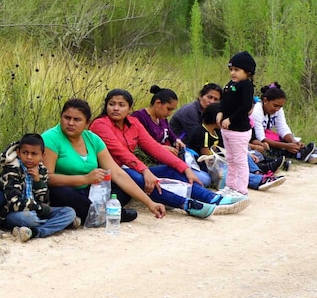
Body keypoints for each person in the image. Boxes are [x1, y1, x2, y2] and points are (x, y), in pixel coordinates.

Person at [89, 88, 248, 217]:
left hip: (129, 168)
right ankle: (187, 204)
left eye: (121, 105)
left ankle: (213, 198)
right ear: (106, 106)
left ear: (130, 109)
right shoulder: (100, 125)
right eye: (112, 104)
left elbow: (154, 147)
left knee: (172, 170)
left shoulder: (134, 123)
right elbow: (121, 153)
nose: (116, 108)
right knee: (141, 177)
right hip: (109, 173)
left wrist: (185, 168)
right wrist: (144, 170)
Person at [41, 98, 167, 224]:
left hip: (90, 190)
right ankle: (111, 214)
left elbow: (118, 174)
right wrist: (85, 179)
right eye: (67, 118)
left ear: (87, 123)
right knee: (61, 193)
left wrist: (150, 203)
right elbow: (47, 178)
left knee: (123, 186)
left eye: (77, 119)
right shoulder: (50, 138)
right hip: (66, 190)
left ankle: (92, 213)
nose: (70, 123)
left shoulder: (93, 139)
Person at [0, 133, 77, 241]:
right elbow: (14, 203)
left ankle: (34, 232)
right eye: (25, 153)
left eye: (34, 154)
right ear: (18, 152)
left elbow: (44, 200)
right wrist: (40, 208)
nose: (29, 157)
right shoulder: (11, 170)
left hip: (37, 210)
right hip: (13, 213)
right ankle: (55, 225)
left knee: (69, 212)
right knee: (29, 218)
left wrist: (38, 181)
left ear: (42, 155)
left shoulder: (42, 170)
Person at [186, 103, 286, 192]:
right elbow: (207, 156)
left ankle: (258, 172)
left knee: (242, 154)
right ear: (216, 119)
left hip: (218, 158)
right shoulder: (202, 133)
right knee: (232, 170)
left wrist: (247, 154)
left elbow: (227, 147)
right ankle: (259, 180)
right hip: (207, 165)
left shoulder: (217, 131)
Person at [218, 52, 257, 195]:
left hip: (239, 130)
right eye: (231, 70)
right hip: (227, 129)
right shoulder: (230, 84)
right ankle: (230, 186)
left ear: (247, 72)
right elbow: (223, 101)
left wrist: (231, 119)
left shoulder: (246, 86)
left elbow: (245, 107)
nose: (233, 73)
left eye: (237, 70)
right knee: (230, 159)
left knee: (240, 160)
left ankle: (241, 189)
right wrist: (220, 112)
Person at [251, 82, 315, 162]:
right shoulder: (256, 111)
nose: (277, 109)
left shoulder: (278, 110)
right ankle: (298, 154)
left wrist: (293, 142)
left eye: (280, 106)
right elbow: (261, 138)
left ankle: (301, 152)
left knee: (287, 139)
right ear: (265, 100)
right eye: (275, 105)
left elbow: (282, 128)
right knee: (268, 146)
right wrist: (286, 146)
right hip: (256, 141)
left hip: (268, 136)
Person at [131, 85, 186, 157]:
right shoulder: (139, 117)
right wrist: (161, 148)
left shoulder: (162, 119)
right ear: (158, 103)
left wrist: (176, 141)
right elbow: (138, 143)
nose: (170, 113)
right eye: (168, 109)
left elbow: (171, 136)